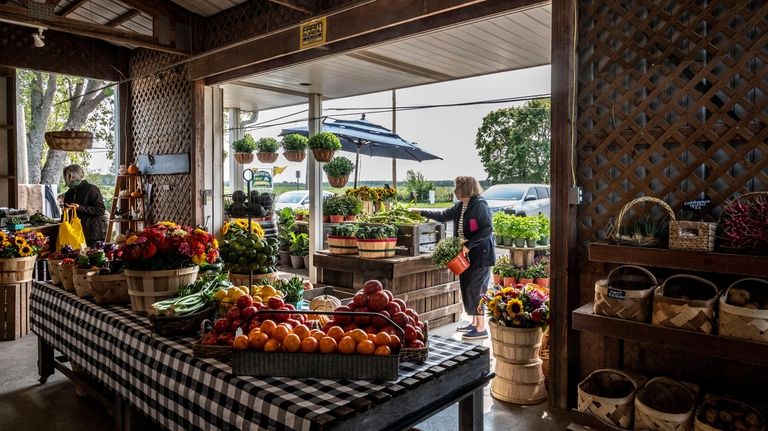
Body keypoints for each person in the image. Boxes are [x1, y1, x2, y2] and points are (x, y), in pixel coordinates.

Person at [417, 176, 495, 340]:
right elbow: (443, 215)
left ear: (468, 192)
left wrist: (469, 245)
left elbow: (487, 229)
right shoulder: (461, 206)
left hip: (480, 255)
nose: (459, 197)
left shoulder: (480, 206)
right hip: (468, 255)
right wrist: (421, 212)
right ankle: (474, 323)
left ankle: (481, 328)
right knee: (468, 288)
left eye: (461, 194)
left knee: (477, 290)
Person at [62, 164, 106, 247]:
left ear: (73, 176)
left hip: (92, 235)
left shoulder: (92, 189)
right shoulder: (68, 193)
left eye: (67, 177)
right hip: (74, 235)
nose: (67, 181)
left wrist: (79, 208)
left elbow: (100, 210)